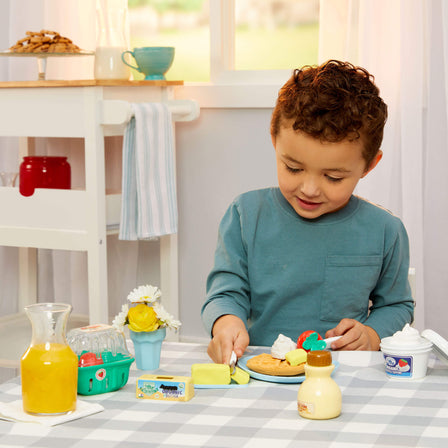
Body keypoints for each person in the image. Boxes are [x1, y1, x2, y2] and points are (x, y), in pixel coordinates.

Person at [201, 60, 414, 365]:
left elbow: (397, 306)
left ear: (369, 165)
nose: (310, 189)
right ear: (275, 141)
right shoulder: (245, 215)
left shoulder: (384, 230)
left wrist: (371, 334)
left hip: (344, 375)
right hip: (264, 371)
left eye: (333, 177)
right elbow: (225, 292)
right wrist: (227, 324)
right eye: (293, 168)